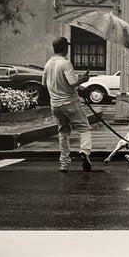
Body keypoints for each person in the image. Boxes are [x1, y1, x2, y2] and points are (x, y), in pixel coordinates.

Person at [42, 37, 93, 173]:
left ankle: (64, 164)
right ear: (65, 48)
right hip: (70, 102)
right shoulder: (65, 63)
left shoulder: (48, 64)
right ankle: (84, 151)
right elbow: (72, 82)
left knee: (63, 132)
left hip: (55, 105)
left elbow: (44, 83)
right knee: (85, 128)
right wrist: (83, 79)